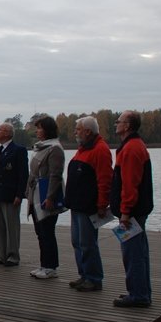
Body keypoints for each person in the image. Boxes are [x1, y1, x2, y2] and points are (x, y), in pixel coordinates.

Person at [64, 116, 113, 292]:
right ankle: (84, 275)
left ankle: (94, 278)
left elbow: (105, 179)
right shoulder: (83, 148)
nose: (75, 132)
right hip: (77, 205)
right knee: (77, 242)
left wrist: (102, 204)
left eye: (78, 129)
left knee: (87, 243)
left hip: (88, 206)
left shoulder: (100, 149)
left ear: (87, 131)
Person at [110, 111, 154, 307]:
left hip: (132, 212)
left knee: (133, 253)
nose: (116, 124)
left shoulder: (130, 149)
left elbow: (130, 184)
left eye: (118, 121)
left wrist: (125, 212)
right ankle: (140, 291)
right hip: (137, 210)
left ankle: (138, 295)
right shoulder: (135, 145)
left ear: (127, 126)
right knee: (139, 252)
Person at [26, 115, 66, 279]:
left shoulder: (54, 148)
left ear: (47, 130)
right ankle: (44, 264)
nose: (37, 131)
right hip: (35, 195)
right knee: (40, 233)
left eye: (39, 128)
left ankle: (51, 267)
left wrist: (50, 197)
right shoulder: (41, 147)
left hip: (46, 195)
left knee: (47, 232)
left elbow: (55, 175)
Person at [0, 122, 28, 267]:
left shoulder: (18, 150)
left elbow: (23, 174)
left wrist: (20, 194)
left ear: (7, 133)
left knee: (12, 226)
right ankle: (1, 255)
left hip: (10, 194)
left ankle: (13, 256)